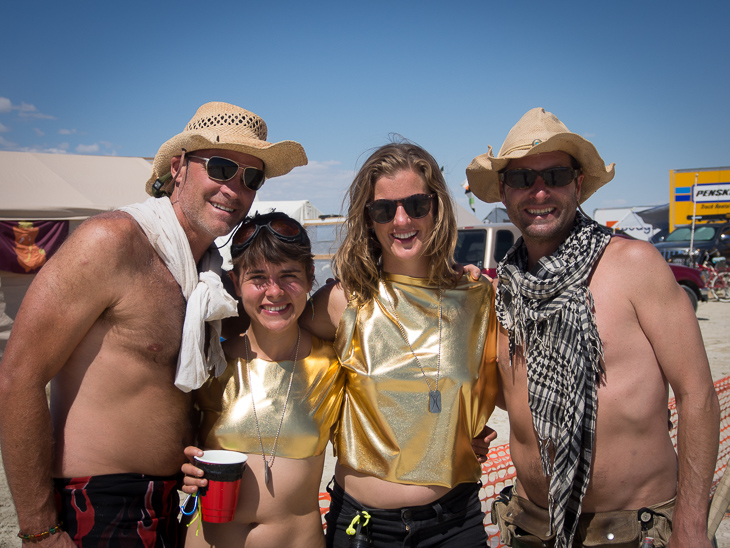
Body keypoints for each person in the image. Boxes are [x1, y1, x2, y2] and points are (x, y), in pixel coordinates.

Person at [0, 102, 307, 546]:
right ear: (179, 167)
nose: (235, 188)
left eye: (251, 177)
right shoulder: (113, 242)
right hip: (102, 504)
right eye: (221, 167)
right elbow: (18, 376)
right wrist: (40, 530)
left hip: (175, 506)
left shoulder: (211, 279)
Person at [466, 107, 720, 548]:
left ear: (578, 185)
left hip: (635, 531)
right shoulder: (502, 291)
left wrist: (692, 527)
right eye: (524, 179)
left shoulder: (635, 266)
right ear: (504, 192)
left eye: (556, 175)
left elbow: (698, 396)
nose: (540, 191)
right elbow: (513, 399)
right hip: (530, 528)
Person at [304, 142, 498, 547]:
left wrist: (463, 430)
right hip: (364, 529)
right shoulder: (343, 300)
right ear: (368, 219)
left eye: (416, 204)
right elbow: (269, 349)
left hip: (455, 524)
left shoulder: (477, 297)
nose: (401, 218)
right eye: (383, 209)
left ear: (438, 208)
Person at [180, 211, 344, 548]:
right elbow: (171, 439)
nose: (274, 292)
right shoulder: (209, 362)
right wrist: (182, 467)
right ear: (236, 281)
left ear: (311, 277)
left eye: (288, 276)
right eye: (258, 278)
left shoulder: (334, 365)